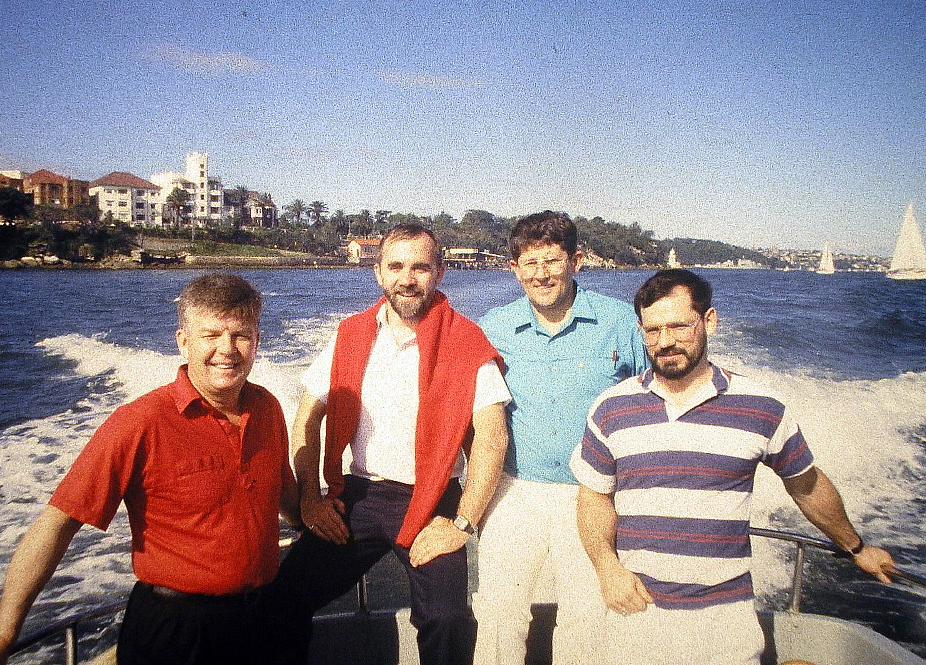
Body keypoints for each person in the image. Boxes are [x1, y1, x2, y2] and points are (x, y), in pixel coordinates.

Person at [0, 273, 300, 665]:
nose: (227, 349)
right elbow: (57, 524)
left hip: (265, 616)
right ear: (183, 341)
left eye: (241, 335)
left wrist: (319, 516)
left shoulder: (266, 407)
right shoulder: (139, 423)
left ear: (257, 341)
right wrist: (1, 635)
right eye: (211, 335)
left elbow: (281, 486)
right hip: (177, 631)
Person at [570, 268, 896, 665]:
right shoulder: (611, 407)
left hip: (725, 620)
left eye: (679, 326)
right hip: (637, 607)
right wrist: (608, 570)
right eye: (653, 330)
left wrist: (855, 546)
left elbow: (806, 486)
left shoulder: (762, 406)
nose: (665, 342)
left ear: (709, 321)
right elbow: (593, 498)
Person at [272, 223, 510, 665]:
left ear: (440, 273)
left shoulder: (467, 341)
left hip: (434, 500)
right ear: (378, 272)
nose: (407, 278)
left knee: (447, 618)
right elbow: (307, 418)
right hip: (359, 495)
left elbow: (492, 439)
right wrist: (310, 499)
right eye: (396, 266)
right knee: (282, 598)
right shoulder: (350, 335)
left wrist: (461, 524)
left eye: (420, 266)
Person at [472, 211, 648, 665]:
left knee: (588, 615)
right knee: (497, 612)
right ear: (513, 268)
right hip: (513, 491)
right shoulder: (492, 327)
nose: (541, 273)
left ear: (577, 260)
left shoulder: (620, 323)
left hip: (591, 492)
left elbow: (654, 396)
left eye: (552, 260)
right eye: (529, 263)